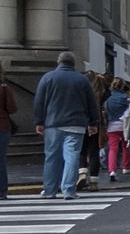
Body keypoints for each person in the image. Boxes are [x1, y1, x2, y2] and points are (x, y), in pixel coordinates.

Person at [32, 52, 100, 200]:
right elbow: (91, 103)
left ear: (58, 62)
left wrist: (39, 121)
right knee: (72, 156)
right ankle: (68, 189)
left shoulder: (48, 78)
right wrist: (93, 122)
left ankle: (50, 190)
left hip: (53, 123)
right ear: (73, 64)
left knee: (52, 157)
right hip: (76, 123)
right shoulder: (82, 80)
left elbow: (39, 101)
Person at [103, 77, 130, 180]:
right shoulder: (125, 98)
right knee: (126, 146)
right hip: (124, 125)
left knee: (113, 148)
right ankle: (126, 167)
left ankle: (112, 170)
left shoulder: (108, 99)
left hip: (111, 125)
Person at [0, 62, 17, 200]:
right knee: (1, 160)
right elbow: (12, 108)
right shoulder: (4, 88)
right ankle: (1, 191)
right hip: (2, 127)